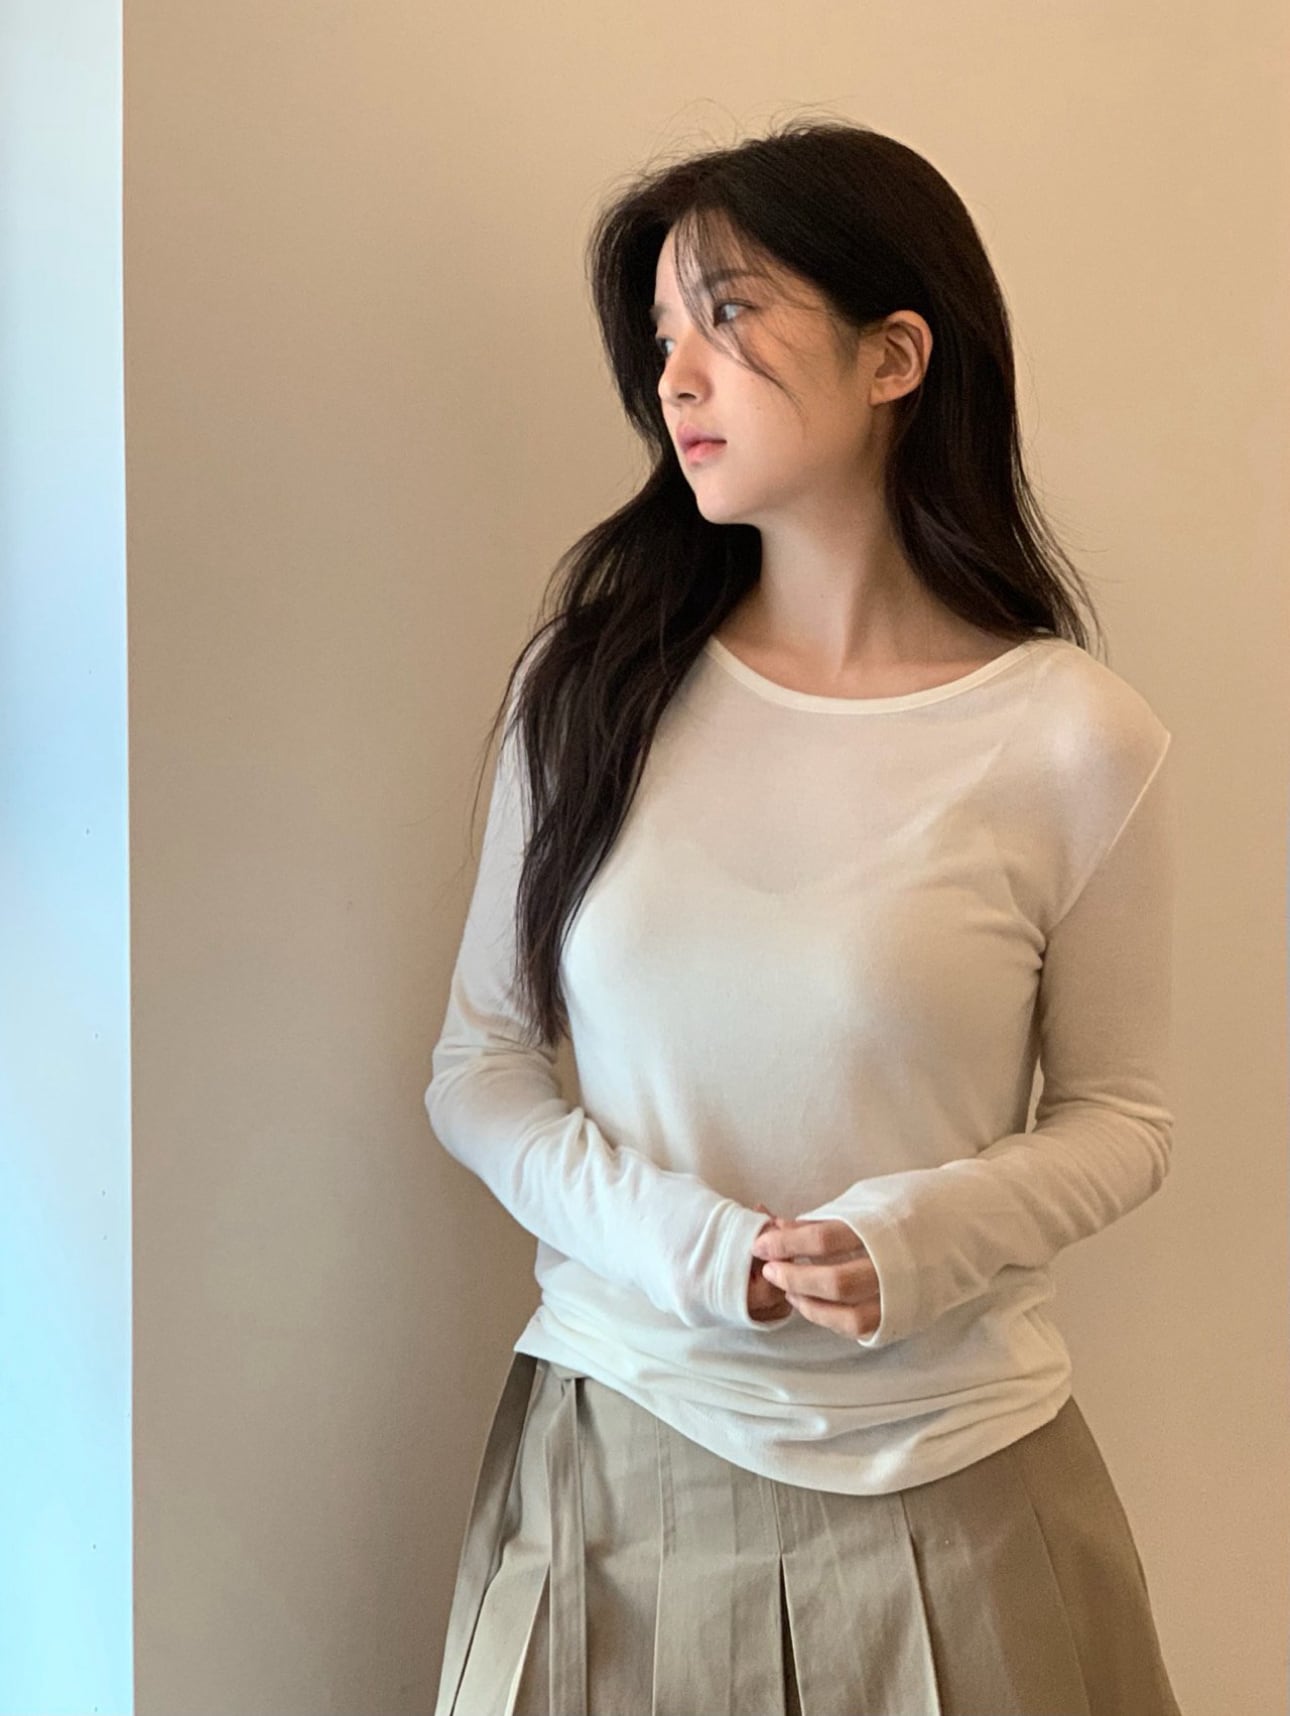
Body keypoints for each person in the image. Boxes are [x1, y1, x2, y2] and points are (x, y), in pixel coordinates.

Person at [425, 117, 1183, 1716]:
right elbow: (478, 1067)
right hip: (615, 1465)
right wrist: (691, 1248)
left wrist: (919, 1237)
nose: (676, 378)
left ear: (893, 355)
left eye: (728, 316)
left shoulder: (1071, 736)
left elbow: (1119, 1118)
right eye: (659, 340)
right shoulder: (591, 692)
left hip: (966, 1484)